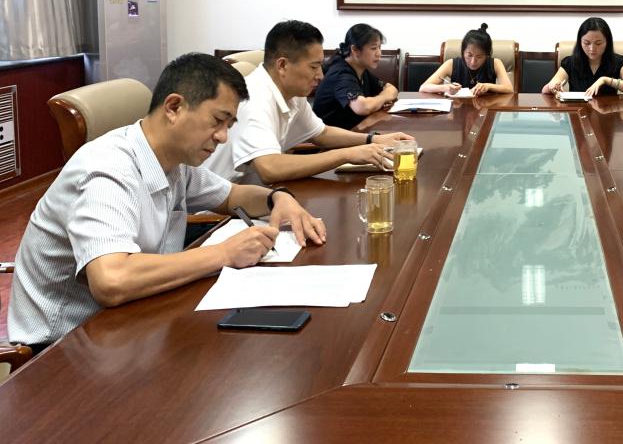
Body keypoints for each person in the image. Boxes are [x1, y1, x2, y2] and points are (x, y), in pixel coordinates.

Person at [7, 53, 327, 349]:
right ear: (174, 107)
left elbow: (231, 195)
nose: (223, 137)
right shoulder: (106, 170)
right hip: (63, 347)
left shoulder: (172, 160)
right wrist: (224, 253)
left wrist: (278, 198)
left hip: (133, 323)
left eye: (229, 126)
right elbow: (112, 280)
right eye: (218, 121)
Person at [204, 20, 412, 185]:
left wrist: (373, 140)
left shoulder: (292, 93)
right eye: (313, 67)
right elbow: (270, 168)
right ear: (282, 65)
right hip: (220, 212)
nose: (320, 75)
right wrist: (348, 154)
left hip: (255, 193)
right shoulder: (256, 98)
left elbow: (321, 134)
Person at [313, 23, 399, 129]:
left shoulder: (361, 69)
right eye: (373, 48)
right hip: (330, 136)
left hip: (353, 130)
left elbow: (391, 88)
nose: (379, 53)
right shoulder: (341, 73)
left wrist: (379, 100)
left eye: (379, 47)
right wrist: (383, 98)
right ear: (355, 50)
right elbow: (363, 107)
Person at [542, 17, 623, 98]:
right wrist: (552, 86)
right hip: (577, 111)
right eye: (586, 43)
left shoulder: (619, 62)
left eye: (598, 43)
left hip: (607, 112)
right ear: (580, 42)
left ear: (607, 42)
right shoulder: (570, 62)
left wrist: (606, 80)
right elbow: (545, 90)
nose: (592, 49)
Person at [419, 23, 514, 96]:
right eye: (469, 55)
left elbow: (509, 89)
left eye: (479, 57)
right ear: (463, 51)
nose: (473, 62)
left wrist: (488, 86)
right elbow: (423, 88)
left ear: (487, 55)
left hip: (485, 110)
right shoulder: (452, 64)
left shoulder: (495, 63)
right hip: (458, 111)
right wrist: (445, 88)